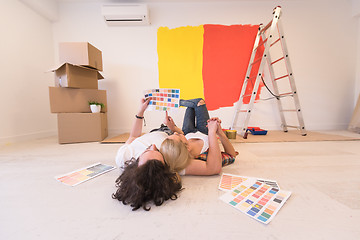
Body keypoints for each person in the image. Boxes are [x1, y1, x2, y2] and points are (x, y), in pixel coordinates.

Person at [112, 98, 181, 211]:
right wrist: (174, 129)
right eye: (158, 152)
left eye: (147, 150)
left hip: (154, 131)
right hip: (172, 131)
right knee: (197, 104)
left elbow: (133, 137)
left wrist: (140, 112)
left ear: (135, 163)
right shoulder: (171, 160)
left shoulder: (123, 157)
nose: (153, 145)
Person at [160, 98, 237, 176]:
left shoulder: (178, 149)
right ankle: (175, 102)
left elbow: (182, 134)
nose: (175, 132)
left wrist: (172, 127)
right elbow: (232, 156)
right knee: (199, 102)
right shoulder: (204, 156)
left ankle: (175, 102)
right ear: (187, 148)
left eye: (173, 134)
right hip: (205, 131)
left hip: (188, 132)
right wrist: (217, 132)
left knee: (190, 107)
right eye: (177, 135)